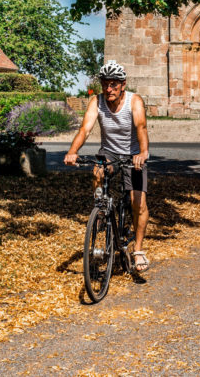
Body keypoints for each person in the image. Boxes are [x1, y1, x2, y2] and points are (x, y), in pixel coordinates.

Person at [64, 60, 151, 273]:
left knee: (137, 202)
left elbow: (141, 127)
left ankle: (138, 250)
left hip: (133, 155)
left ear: (123, 85)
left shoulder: (134, 101)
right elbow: (85, 129)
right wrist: (72, 151)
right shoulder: (97, 101)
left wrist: (142, 152)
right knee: (97, 170)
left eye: (113, 84)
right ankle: (101, 209)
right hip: (109, 152)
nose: (109, 89)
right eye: (105, 84)